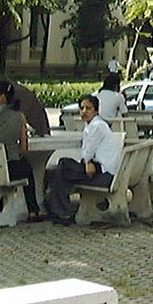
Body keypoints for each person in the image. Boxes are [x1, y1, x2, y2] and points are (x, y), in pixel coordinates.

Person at [45, 94, 122, 226]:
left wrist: (87, 162)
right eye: (82, 108)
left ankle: (60, 210)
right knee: (60, 169)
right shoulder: (95, 125)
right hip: (103, 171)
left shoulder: (96, 126)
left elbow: (88, 152)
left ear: (96, 110)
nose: (84, 112)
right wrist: (87, 162)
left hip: (104, 175)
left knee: (62, 167)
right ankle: (60, 208)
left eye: (88, 108)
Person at [0, 79, 42, 221]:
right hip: (9, 168)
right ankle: (33, 211)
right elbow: (24, 149)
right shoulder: (20, 116)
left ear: (2, 97)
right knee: (28, 169)